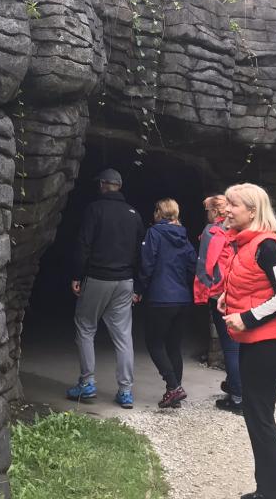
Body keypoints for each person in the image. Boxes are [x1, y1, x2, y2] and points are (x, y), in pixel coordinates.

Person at [218, 182, 276, 499]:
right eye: (226, 203)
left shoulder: (268, 246)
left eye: (233, 204)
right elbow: (256, 284)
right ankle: (267, 490)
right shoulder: (246, 243)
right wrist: (227, 298)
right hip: (259, 341)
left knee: (260, 418)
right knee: (256, 416)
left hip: (271, 343)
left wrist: (247, 317)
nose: (227, 209)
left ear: (252, 211)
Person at [68, 168, 145, 409]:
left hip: (98, 277)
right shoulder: (134, 214)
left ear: (103, 184)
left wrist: (77, 275)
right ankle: (125, 391)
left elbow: (83, 244)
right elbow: (140, 252)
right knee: (123, 336)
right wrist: (138, 284)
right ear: (119, 186)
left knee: (85, 326)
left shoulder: (95, 209)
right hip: (125, 281)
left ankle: (87, 383)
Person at [135, 198, 196, 408]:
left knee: (154, 342)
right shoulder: (183, 236)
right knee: (173, 346)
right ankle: (175, 393)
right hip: (182, 298)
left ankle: (174, 387)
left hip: (160, 297)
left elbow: (147, 264)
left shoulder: (154, 233)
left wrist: (139, 289)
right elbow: (193, 264)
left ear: (158, 213)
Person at [194, 194, 243, 413]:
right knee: (239, 345)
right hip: (240, 293)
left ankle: (238, 397)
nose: (206, 214)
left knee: (230, 347)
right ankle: (236, 388)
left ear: (214, 211)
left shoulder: (212, 231)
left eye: (207, 210)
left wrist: (203, 292)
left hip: (220, 296)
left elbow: (206, 265)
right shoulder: (240, 230)